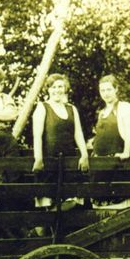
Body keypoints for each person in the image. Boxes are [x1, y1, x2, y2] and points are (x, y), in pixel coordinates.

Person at [31, 73, 89, 210]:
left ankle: (53, 218)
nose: (57, 90)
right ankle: (48, 221)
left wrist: (84, 155)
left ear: (65, 88)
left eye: (60, 86)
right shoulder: (42, 107)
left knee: (72, 200)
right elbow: (37, 136)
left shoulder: (71, 109)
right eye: (54, 87)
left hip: (68, 160)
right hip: (49, 160)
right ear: (48, 89)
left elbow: (78, 133)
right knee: (49, 201)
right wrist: (38, 159)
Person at [90, 74, 130, 209]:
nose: (106, 93)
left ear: (116, 89)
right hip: (99, 165)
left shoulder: (124, 107)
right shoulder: (102, 112)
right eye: (102, 90)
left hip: (116, 162)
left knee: (118, 205)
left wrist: (126, 152)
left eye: (109, 89)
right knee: (100, 205)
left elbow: (129, 133)